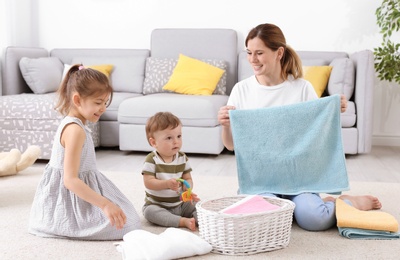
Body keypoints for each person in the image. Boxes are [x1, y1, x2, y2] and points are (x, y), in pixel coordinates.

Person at [218, 23, 382, 231]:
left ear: (279, 53)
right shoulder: (242, 90)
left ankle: (346, 202)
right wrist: (225, 126)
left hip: (300, 177)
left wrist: (333, 108)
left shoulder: (301, 88)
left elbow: (318, 130)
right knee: (265, 221)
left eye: (259, 53)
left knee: (315, 220)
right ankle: (288, 208)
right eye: (249, 52)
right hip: (262, 180)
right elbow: (231, 146)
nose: (252, 59)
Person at [29, 64, 141, 240]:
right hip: (69, 195)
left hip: (82, 187)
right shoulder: (75, 130)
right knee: (127, 225)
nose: (103, 108)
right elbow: (70, 180)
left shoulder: (77, 124)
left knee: (127, 217)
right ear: (77, 100)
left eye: (105, 102)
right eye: (98, 103)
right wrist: (104, 204)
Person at [141, 112, 200, 231]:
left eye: (179, 136)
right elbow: (148, 182)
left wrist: (187, 189)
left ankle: (200, 219)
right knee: (149, 212)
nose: (176, 141)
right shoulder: (152, 160)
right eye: (169, 138)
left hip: (179, 204)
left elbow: (188, 178)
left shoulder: (182, 158)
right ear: (154, 143)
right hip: (157, 205)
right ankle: (182, 221)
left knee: (198, 206)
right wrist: (166, 184)